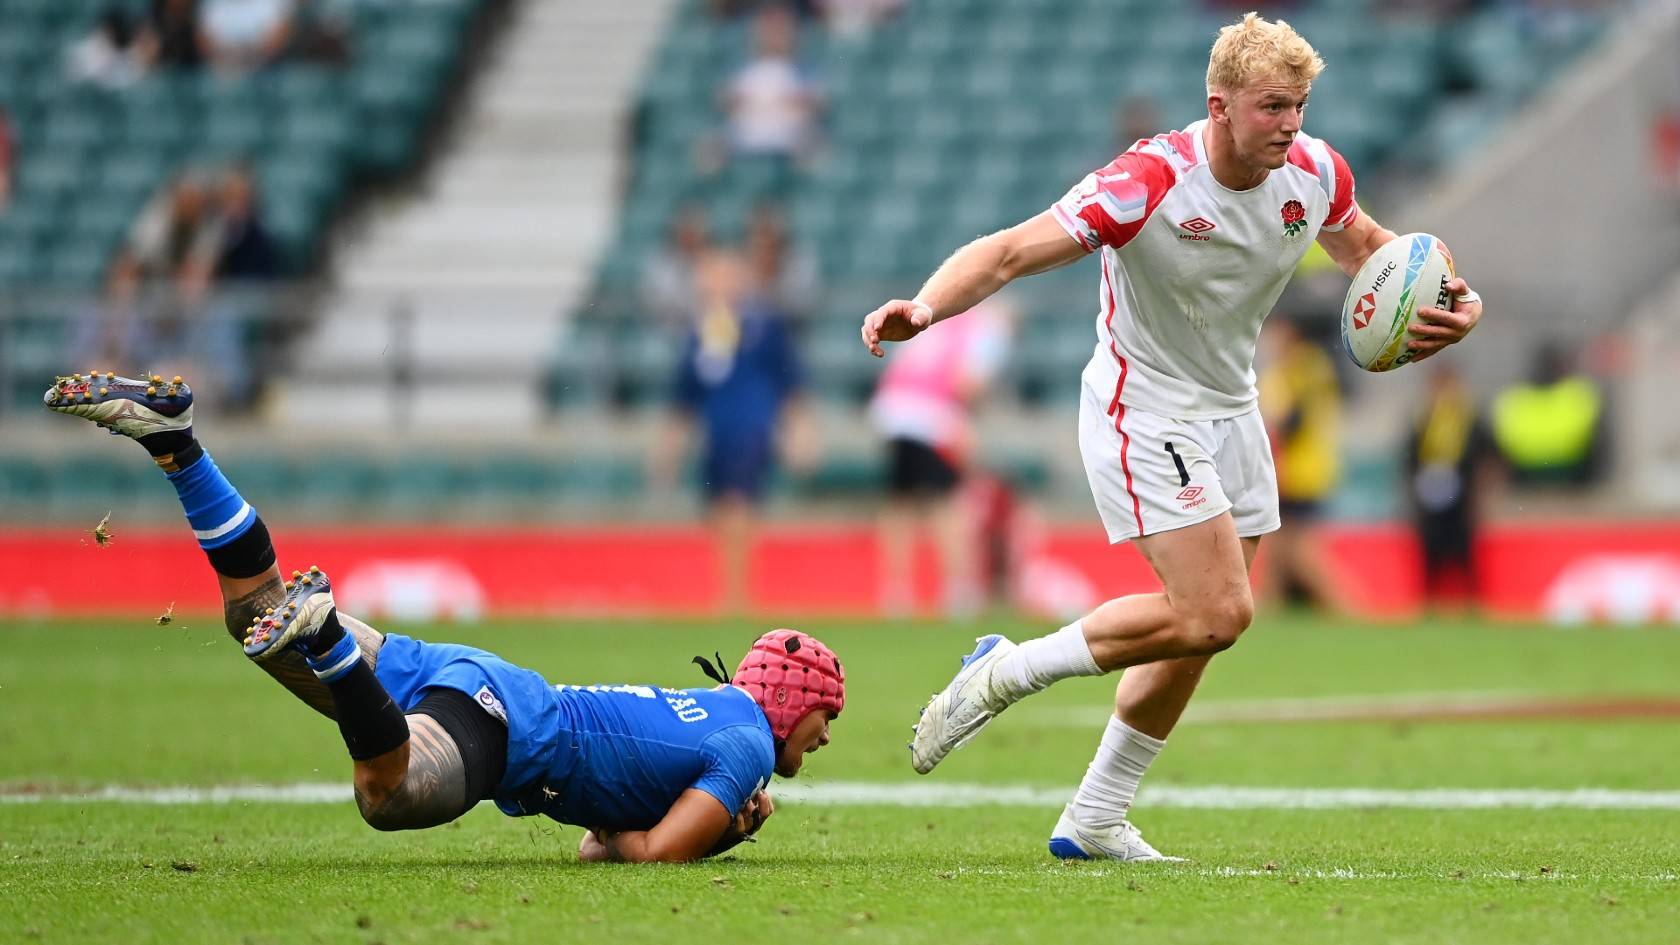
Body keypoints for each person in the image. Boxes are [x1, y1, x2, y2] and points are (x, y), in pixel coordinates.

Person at [860, 13, 1483, 860]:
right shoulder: (1148, 179)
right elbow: (1008, 251)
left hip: (1232, 408)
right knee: (1217, 609)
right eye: (1273, 107)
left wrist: (1449, 298)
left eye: (1299, 105)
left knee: (1203, 628)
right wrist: (925, 307)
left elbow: (1377, 251)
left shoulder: (1313, 173)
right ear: (1219, 105)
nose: (1292, 125)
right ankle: (1007, 668)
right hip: (1141, 406)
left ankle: (1094, 815)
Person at [40, 370, 844, 863]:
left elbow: (593, 842)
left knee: (252, 609)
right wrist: (703, 837)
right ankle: (324, 634)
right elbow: (652, 851)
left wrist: (660, 830)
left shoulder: (714, 722)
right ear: (791, 701)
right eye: (824, 715)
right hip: (514, 728)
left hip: (490, 683)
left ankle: (179, 444)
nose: (827, 735)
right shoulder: (744, 746)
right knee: (386, 796)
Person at [653, 248, 815, 615]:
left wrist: (799, 433)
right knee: (720, 513)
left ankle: (737, 597)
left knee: (738, 507)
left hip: (751, 426)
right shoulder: (701, 332)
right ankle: (730, 591)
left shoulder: (763, 325)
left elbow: (790, 383)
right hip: (716, 432)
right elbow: (685, 397)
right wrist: (670, 450)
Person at [867, 299, 1011, 617]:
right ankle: (959, 591)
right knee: (948, 503)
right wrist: (965, 426)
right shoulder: (986, 329)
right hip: (932, 416)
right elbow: (968, 383)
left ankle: (896, 592)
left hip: (892, 410)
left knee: (901, 502)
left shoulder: (942, 317)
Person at [1255, 315, 1345, 611]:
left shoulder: (1301, 368)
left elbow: (1290, 421)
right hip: (1300, 467)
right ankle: (1271, 602)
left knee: (1297, 548)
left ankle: (1343, 606)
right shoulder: (1307, 367)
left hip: (1297, 470)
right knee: (1278, 544)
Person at [1405, 361, 1500, 612]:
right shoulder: (1423, 417)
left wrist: (1481, 496)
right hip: (1429, 498)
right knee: (1430, 553)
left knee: (1464, 552)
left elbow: (1487, 457)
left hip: (1461, 496)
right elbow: (1411, 458)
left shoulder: (1469, 417)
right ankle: (1428, 604)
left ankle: (1474, 603)